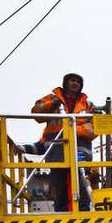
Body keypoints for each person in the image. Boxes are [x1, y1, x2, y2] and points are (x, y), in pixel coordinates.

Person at [21, 72, 95, 211]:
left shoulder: (88, 105)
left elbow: (95, 127)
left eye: (78, 82)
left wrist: (73, 129)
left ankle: (84, 211)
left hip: (79, 153)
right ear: (65, 83)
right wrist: (53, 104)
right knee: (58, 186)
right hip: (56, 152)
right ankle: (61, 212)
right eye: (72, 80)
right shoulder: (52, 99)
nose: (75, 83)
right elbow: (36, 113)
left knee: (82, 184)